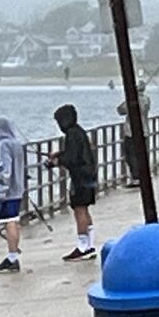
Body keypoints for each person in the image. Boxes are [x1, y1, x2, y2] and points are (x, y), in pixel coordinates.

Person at [49, 104, 98, 262]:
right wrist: (60, 154)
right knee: (85, 209)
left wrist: (56, 161)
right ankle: (89, 245)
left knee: (79, 210)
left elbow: (72, 159)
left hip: (80, 178)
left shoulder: (71, 134)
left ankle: (83, 247)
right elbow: (76, 153)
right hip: (89, 175)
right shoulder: (79, 131)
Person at [0, 117, 26, 274]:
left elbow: (5, 168)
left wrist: (1, 189)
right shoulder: (17, 144)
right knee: (14, 221)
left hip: (8, 191)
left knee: (9, 222)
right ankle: (13, 253)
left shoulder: (4, 145)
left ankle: (12, 257)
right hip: (18, 188)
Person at [117, 81, 151, 187]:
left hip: (131, 132)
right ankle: (143, 176)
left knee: (131, 156)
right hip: (144, 131)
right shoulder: (146, 99)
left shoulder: (132, 100)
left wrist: (129, 97)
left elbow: (121, 110)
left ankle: (136, 178)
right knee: (142, 155)